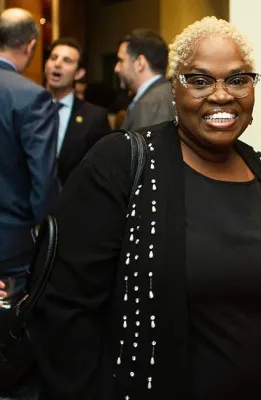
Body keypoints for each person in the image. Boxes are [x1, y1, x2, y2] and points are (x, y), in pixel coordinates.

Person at [29, 17, 261, 400]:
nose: (222, 95)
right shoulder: (122, 163)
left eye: (238, 80)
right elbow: (63, 309)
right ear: (174, 88)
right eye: (200, 80)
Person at [0, 7, 59, 399]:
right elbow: (43, 186)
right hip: (14, 252)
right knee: (13, 354)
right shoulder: (32, 98)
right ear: (32, 46)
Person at [44, 37, 111, 186]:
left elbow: (103, 170)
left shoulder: (95, 117)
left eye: (67, 60)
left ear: (79, 73)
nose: (57, 64)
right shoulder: (27, 108)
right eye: (53, 58)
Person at [115, 29, 175, 130]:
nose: (116, 68)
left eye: (121, 61)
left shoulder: (152, 104)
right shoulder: (163, 95)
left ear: (140, 63)